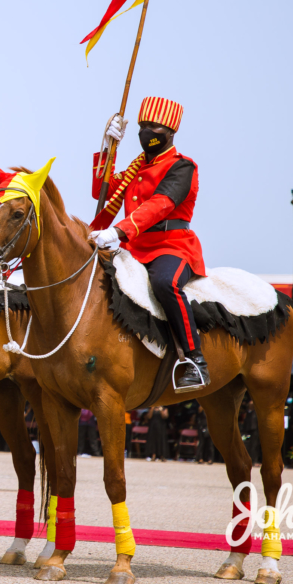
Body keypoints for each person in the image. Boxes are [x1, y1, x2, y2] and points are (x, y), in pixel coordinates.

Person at [88, 97, 209, 393]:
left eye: (153, 126)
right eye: (142, 126)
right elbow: (100, 193)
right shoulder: (136, 168)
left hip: (172, 245)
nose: (146, 132)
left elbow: (159, 205)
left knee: (165, 283)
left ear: (169, 132)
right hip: (133, 248)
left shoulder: (183, 167)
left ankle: (195, 361)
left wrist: (118, 230)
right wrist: (108, 149)